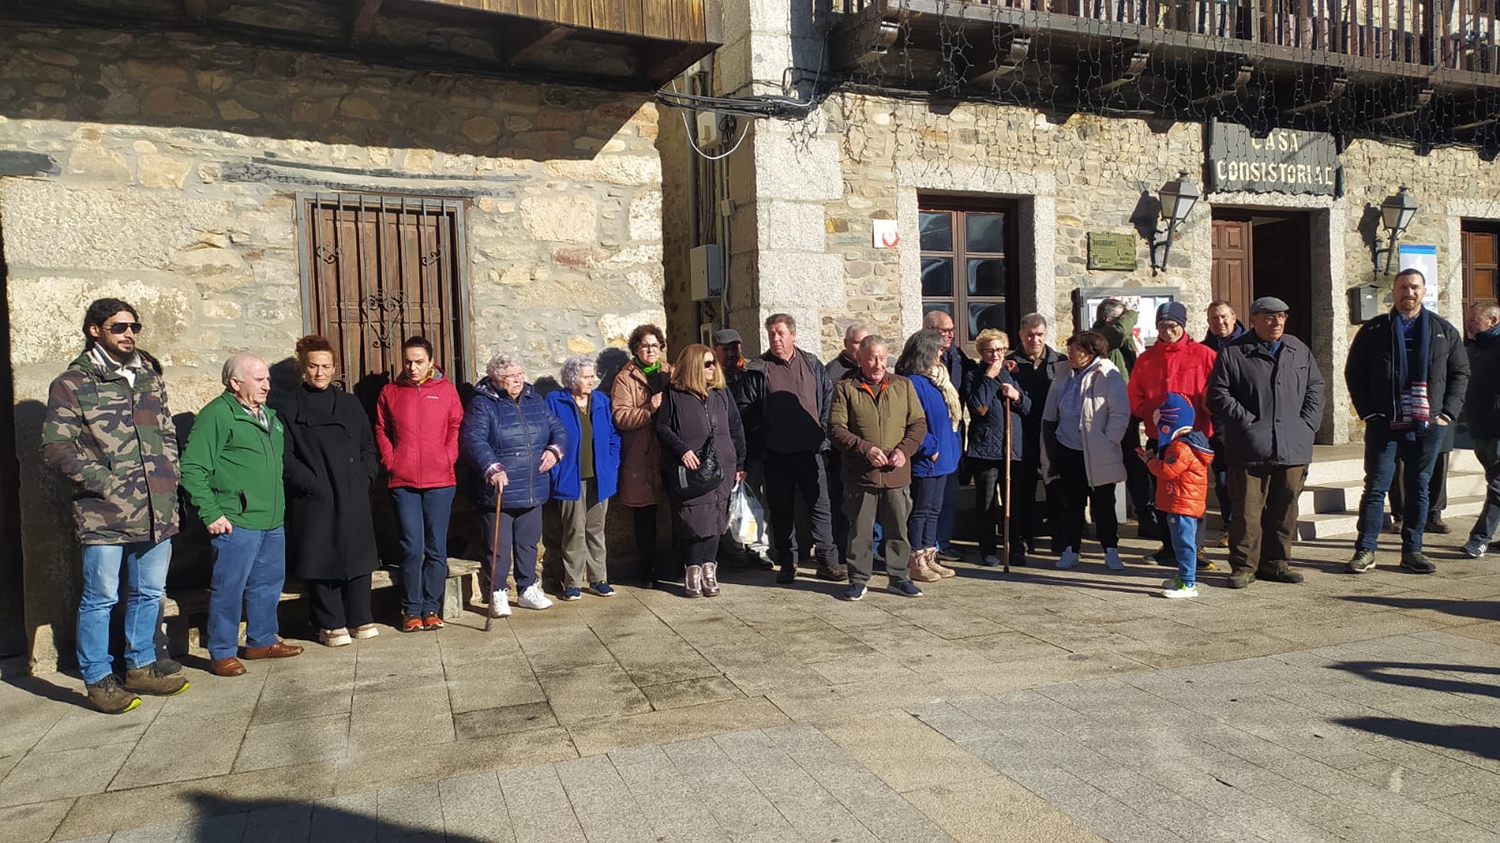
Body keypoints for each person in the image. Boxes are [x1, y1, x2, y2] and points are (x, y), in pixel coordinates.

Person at [41, 299, 188, 713]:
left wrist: (171, 477)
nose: (129, 334)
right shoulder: (73, 382)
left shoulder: (148, 375)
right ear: (95, 330)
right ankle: (98, 677)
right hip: (104, 512)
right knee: (101, 597)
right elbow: (55, 447)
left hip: (157, 508)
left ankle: (141, 665)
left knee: (149, 591)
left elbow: (166, 432)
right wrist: (105, 481)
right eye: (119, 327)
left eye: (134, 327)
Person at [180, 353, 303, 677]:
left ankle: (261, 640)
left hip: (271, 518)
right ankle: (221, 650)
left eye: (267, 379)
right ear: (235, 383)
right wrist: (211, 513)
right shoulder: (218, 415)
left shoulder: (269, 417)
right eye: (259, 379)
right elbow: (192, 468)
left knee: (268, 583)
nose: (267, 385)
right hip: (236, 520)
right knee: (229, 587)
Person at [1346, 269, 1470, 574]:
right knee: (1375, 487)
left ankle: (1412, 551)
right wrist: (1370, 413)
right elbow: (1355, 372)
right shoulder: (1375, 330)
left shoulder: (1443, 331)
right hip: (1384, 423)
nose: (1408, 292)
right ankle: (1365, 550)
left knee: (1420, 487)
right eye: (1403, 287)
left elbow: (1460, 373)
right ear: (1394, 291)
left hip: (1428, 425)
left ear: (1424, 291)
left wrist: (1447, 413)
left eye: (1414, 287)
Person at [1207, 296, 1326, 589]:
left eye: (1282, 317)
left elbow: (1316, 388)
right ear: (1254, 320)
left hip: (1292, 445)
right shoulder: (1234, 353)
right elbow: (1217, 395)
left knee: (1285, 508)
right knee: (1246, 511)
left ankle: (1276, 562)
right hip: (1248, 446)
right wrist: (1246, 421)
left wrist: (1306, 425)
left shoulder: (1298, 350)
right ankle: (1244, 566)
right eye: (1270, 317)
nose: (1277, 323)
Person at [271, 336, 380, 647]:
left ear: (335, 369)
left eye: (326, 366)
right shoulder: (288, 406)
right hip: (315, 496)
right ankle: (329, 622)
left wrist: (365, 476)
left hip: (353, 489)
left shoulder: (349, 403)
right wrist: (312, 484)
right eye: (313, 366)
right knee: (322, 557)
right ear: (303, 368)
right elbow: (285, 456)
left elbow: (367, 446)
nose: (320, 373)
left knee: (358, 554)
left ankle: (360, 616)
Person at [738, 314, 843, 584]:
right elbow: (746, 408)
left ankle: (828, 562)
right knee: (781, 511)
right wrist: (766, 435)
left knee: (821, 508)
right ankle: (787, 563)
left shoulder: (812, 364)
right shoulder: (759, 369)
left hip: (811, 453)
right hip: (777, 455)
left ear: (793, 335)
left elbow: (828, 400)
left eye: (780, 333)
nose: (775, 338)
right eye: (771, 333)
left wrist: (822, 433)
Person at [461, 352, 567, 614]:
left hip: (532, 484)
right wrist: (492, 467)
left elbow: (559, 430)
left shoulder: (535, 400)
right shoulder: (483, 404)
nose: (518, 380)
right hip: (501, 487)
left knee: (528, 542)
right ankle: (496, 591)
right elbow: (473, 439)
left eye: (520, 375)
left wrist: (554, 451)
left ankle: (528, 588)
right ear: (497, 379)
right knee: (497, 545)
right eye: (511, 377)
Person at [829, 335, 928, 600]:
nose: (878, 364)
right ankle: (858, 579)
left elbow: (918, 424)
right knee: (860, 531)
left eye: (882, 358)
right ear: (860, 359)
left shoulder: (903, 386)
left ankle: (899, 578)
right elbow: (836, 429)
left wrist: (903, 450)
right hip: (861, 475)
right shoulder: (846, 388)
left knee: (898, 529)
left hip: (896, 474)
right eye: (872, 358)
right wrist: (865, 449)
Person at [376, 335, 464, 632]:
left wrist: (448, 456)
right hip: (403, 481)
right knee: (412, 546)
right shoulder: (390, 392)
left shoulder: (447, 391)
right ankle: (411, 609)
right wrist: (391, 459)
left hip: (440, 480)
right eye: (408, 362)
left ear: (430, 361)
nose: (412, 367)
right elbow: (382, 429)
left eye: (419, 361)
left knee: (436, 546)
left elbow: (455, 425)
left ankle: (431, 607)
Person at [1127, 302, 1218, 566]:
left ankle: (1196, 549)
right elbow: (1135, 395)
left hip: (1194, 438)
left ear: (1183, 325)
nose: (1168, 331)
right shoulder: (1146, 359)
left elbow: (1217, 390)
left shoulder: (1204, 354)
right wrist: (1149, 411)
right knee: (1164, 494)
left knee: (1192, 493)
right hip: (1160, 436)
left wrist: (1207, 407)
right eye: (1162, 326)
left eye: (1173, 325)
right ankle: (1168, 547)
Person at [656, 344, 746, 597]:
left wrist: (741, 463)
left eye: (712, 363)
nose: (712, 367)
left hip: (723, 464)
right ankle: (692, 569)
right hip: (693, 466)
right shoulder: (675, 393)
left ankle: (710, 568)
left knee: (718, 517)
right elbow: (663, 427)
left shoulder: (721, 392)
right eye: (707, 363)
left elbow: (736, 427)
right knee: (694, 517)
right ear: (694, 366)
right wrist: (682, 450)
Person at [1041, 331, 1131, 570]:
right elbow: (1054, 409)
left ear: (1092, 352)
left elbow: (1120, 412)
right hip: (1068, 448)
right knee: (1071, 502)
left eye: (1077, 348)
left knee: (1103, 503)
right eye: (1070, 347)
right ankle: (1072, 548)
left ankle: (1110, 549)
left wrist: (1108, 439)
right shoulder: (1064, 373)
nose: (1071, 352)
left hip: (1097, 450)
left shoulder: (1108, 375)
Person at [546, 354, 621, 600]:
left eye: (593, 376)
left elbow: (612, 436)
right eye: (587, 376)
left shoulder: (601, 400)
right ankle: (573, 583)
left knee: (596, 529)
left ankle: (599, 578)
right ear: (571, 378)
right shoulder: (555, 401)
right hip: (570, 477)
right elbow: (547, 438)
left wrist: (612, 464)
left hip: (600, 477)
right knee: (574, 530)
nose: (592, 380)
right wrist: (556, 471)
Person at [896, 330, 963, 582]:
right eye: (937, 349)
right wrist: (930, 447)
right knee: (921, 509)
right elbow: (912, 420)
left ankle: (930, 556)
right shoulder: (912, 382)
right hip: (928, 458)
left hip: (943, 455)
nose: (940, 354)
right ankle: (916, 559)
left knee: (934, 508)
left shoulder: (937, 380)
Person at [612, 324, 672, 588]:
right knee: (645, 519)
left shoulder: (669, 373)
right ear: (636, 349)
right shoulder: (625, 378)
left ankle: (682, 565)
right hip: (642, 457)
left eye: (655, 345)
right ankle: (648, 571)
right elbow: (621, 417)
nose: (651, 350)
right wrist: (650, 408)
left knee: (679, 511)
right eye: (645, 345)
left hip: (669, 451)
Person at [965, 329, 1029, 568]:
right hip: (985, 448)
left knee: (1014, 501)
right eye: (991, 350)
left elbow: (1029, 408)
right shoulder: (975, 375)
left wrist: (1017, 396)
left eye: (1000, 350)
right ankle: (988, 549)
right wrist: (989, 378)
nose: (996, 354)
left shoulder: (1012, 373)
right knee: (987, 502)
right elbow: (978, 407)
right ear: (982, 352)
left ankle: (1013, 548)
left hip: (1012, 448)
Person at [1004, 313, 1065, 562]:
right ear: (1020, 335)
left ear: (1046, 335)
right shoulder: (1010, 363)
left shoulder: (1059, 362)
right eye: (1029, 335)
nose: (1035, 340)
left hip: (1053, 435)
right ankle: (1021, 540)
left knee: (1057, 489)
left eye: (1039, 335)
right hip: (1023, 434)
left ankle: (1060, 541)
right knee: (1022, 491)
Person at [1140, 394, 1214, 599]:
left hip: (1184, 504)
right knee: (1180, 542)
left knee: (1184, 543)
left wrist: (1149, 462)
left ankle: (1189, 583)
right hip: (1181, 502)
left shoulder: (1181, 448)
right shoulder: (1183, 445)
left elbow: (1166, 471)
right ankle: (1184, 576)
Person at [1092, 299, 1153, 540]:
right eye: (1122, 318)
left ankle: (1146, 518)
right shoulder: (1099, 336)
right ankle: (1104, 524)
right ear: (1110, 320)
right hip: (1104, 415)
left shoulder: (1119, 340)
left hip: (1126, 412)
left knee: (1136, 466)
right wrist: (1131, 313)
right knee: (1106, 469)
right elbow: (1117, 333)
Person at [713, 329, 772, 569]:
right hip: (727, 451)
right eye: (725, 349)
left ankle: (759, 548)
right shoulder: (711, 377)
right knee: (729, 502)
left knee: (757, 502)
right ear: (715, 351)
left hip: (755, 448)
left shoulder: (752, 373)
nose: (730, 353)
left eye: (735, 348)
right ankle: (735, 551)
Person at [923, 310, 974, 562]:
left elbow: (973, 375)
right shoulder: (917, 358)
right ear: (929, 330)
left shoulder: (956, 355)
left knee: (949, 493)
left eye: (952, 330)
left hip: (953, 432)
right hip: (929, 435)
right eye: (945, 330)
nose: (950, 335)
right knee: (927, 497)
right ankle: (925, 545)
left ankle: (943, 542)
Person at [826, 322, 873, 568]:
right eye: (857, 342)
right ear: (846, 344)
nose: (862, 347)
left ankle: (870, 551)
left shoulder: (873, 372)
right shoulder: (833, 373)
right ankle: (843, 552)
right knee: (842, 505)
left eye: (866, 341)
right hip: (842, 453)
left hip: (871, 453)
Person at [1202, 301, 1247, 545]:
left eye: (1223, 317)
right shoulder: (1204, 349)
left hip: (1246, 422)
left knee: (1248, 479)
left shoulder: (1250, 344)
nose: (1219, 323)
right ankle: (1230, 526)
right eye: (1214, 319)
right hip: (1216, 424)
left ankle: (1250, 525)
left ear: (1234, 317)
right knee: (1221, 479)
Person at [1460, 301, 1500, 558]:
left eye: (1474, 320)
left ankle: (1479, 538)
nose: (1468, 325)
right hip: (1480, 428)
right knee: (1494, 481)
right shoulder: (1474, 348)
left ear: (1493, 321)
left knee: (1498, 484)